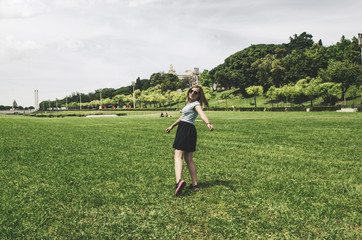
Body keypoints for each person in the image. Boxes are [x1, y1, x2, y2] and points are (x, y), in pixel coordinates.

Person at [166, 85, 214, 196]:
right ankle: (195, 184)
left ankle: (179, 182)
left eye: (195, 92)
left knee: (178, 156)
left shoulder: (196, 104)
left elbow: (202, 114)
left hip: (185, 129)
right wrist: (172, 126)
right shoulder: (189, 104)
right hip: (189, 129)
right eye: (191, 91)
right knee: (189, 159)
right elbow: (182, 117)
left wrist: (208, 123)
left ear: (198, 96)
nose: (192, 93)